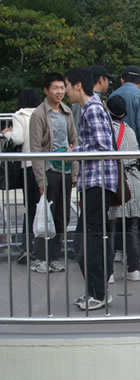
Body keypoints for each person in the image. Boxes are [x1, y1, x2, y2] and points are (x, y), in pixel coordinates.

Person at [65, 67, 117, 311]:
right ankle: (97, 291)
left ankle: (97, 293)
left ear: (77, 86)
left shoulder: (92, 109)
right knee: (90, 238)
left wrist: (75, 152)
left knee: (88, 239)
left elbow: (102, 147)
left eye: (66, 86)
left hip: (98, 181)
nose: (65, 92)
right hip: (96, 182)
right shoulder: (94, 107)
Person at [29, 73, 79, 274]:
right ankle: (41, 257)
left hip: (65, 171)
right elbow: (35, 148)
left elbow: (74, 143)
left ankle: (55, 256)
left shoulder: (67, 112)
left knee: (61, 216)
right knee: (45, 216)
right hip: (49, 170)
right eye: (55, 88)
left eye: (62, 87)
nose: (59, 92)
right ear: (46, 90)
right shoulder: (39, 114)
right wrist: (40, 178)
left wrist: (74, 172)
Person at [108, 65, 140, 264]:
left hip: (113, 162)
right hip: (133, 161)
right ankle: (136, 256)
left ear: (121, 80)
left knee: (116, 208)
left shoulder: (112, 96)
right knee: (134, 212)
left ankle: (117, 251)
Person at [106, 95, 140, 284]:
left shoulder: (107, 130)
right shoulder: (130, 131)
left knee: (110, 228)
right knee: (132, 228)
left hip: (116, 182)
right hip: (133, 181)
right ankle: (134, 269)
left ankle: (108, 272)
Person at [1, 88, 42, 265]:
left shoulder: (20, 115)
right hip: (46, 165)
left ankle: (27, 248)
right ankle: (45, 249)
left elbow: (17, 139)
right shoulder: (44, 113)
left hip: (29, 165)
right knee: (46, 207)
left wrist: (6, 133)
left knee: (31, 209)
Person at [72, 65, 114, 130]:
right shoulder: (94, 99)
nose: (108, 84)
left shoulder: (79, 96)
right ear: (101, 79)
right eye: (107, 80)